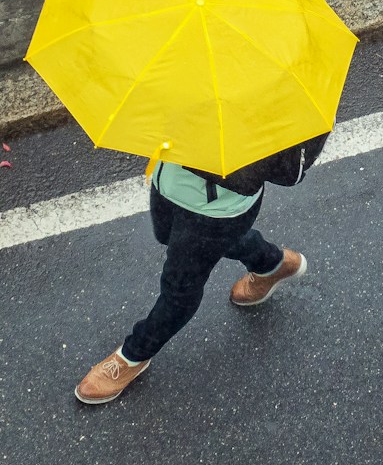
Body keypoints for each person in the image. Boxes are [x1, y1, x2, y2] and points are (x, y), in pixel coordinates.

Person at [74, 134, 328, 404]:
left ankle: (134, 355)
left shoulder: (275, 98)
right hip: (168, 177)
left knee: (179, 290)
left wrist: (210, 152)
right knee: (167, 236)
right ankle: (272, 263)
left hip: (216, 210)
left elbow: (290, 168)